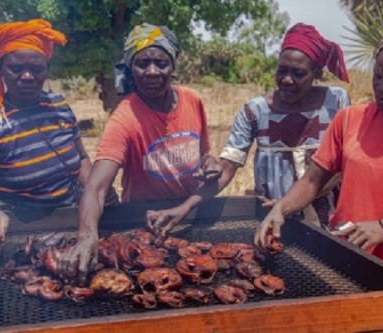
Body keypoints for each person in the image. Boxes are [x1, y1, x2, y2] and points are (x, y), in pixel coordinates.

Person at [255, 19, 383, 284]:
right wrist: (281, 208)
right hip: (344, 265)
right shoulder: (350, 119)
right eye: (378, 76)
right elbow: (314, 180)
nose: (381, 86)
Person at [145, 23, 350, 238]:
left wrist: (290, 202)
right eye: (282, 70)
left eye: (298, 73)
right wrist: (185, 207)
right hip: (272, 221)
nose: (287, 79)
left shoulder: (335, 102)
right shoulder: (255, 111)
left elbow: (342, 164)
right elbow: (227, 167)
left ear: (316, 73)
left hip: (328, 220)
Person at [57, 23, 220, 282]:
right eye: (142, 63)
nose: (152, 72)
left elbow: (203, 154)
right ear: (131, 68)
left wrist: (210, 162)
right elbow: (97, 186)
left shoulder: (192, 100)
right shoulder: (125, 117)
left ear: (173, 65)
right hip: (146, 224)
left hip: (189, 214)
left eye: (161, 63)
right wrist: (87, 237)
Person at [0, 19, 113, 248]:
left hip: (72, 215)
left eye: (37, 68)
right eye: (17, 68)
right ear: (0, 68)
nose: (28, 76)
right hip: (18, 228)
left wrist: (98, 192)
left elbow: (80, 158)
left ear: (47, 70)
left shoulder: (59, 106)